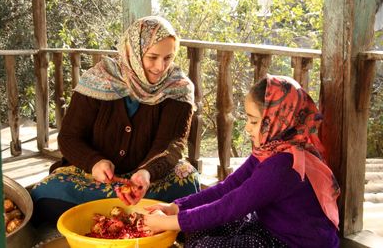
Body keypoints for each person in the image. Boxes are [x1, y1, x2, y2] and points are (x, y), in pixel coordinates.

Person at [30, 16, 200, 225]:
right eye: (152, 57)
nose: (160, 67)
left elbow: (171, 145)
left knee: (188, 180)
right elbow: (69, 137)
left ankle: (105, 216)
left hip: (147, 181)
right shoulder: (99, 79)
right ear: (134, 53)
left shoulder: (178, 88)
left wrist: (146, 173)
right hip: (93, 179)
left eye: (168, 58)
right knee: (44, 195)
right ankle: (143, 218)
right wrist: (94, 163)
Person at [143, 74, 340, 248]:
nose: (247, 128)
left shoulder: (283, 166)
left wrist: (168, 222)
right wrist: (176, 207)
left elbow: (230, 206)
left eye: (254, 121)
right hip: (271, 227)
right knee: (198, 230)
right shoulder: (272, 149)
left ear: (277, 120)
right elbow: (228, 187)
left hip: (293, 242)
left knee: (203, 244)